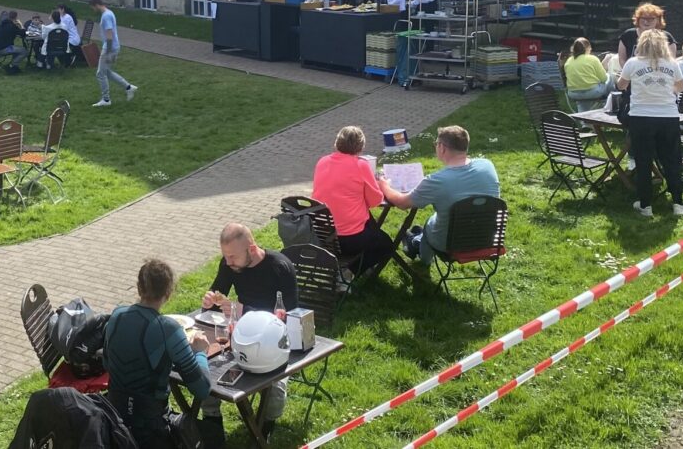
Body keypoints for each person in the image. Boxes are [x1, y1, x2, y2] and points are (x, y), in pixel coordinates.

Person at [105, 258, 211, 449]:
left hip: (114, 420)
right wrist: (200, 352)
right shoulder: (168, 329)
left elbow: (107, 362)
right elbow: (202, 389)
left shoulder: (116, 316)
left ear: (139, 288)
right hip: (150, 429)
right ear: (168, 293)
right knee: (207, 435)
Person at [201, 223, 296, 435]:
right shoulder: (230, 265)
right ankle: (212, 423)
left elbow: (289, 316)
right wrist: (210, 301)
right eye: (225, 256)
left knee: (275, 390)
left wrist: (244, 310)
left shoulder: (280, 267)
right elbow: (217, 296)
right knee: (204, 369)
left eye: (232, 257)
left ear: (251, 249)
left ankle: (264, 427)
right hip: (240, 335)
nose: (228, 262)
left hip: (275, 341)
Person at [381, 125, 501, 263]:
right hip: (487, 239)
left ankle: (423, 256)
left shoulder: (437, 181)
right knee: (440, 219)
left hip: (450, 244)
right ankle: (417, 240)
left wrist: (384, 186)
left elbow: (402, 203)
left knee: (430, 222)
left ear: (442, 147)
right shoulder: (487, 165)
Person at [617, 30, 683, 217]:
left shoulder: (633, 63)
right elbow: (681, 86)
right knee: (672, 160)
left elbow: (621, 85)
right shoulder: (672, 63)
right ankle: (678, 203)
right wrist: (667, 89)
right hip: (668, 116)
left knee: (643, 161)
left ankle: (645, 205)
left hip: (641, 117)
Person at [310, 127, 391, 277]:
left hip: (323, 234)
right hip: (349, 240)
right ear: (361, 147)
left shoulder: (322, 162)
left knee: (369, 224)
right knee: (386, 245)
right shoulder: (360, 165)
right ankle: (349, 273)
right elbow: (375, 201)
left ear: (336, 143)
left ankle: (354, 269)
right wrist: (382, 184)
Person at [90, 0, 136, 107]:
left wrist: (108, 52)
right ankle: (128, 87)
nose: (93, 10)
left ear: (96, 5)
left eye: (92, 7)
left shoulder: (106, 16)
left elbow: (109, 35)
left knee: (100, 73)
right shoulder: (109, 12)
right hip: (113, 47)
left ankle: (106, 100)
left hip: (110, 48)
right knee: (107, 72)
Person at [618, 3, 676, 68]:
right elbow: (622, 59)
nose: (646, 22)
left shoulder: (667, 37)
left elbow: (671, 62)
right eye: (643, 18)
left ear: (658, 20)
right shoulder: (627, 35)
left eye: (651, 19)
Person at [562, 37, 610, 111]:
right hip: (592, 92)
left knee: (584, 96)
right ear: (587, 48)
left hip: (573, 93)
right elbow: (604, 79)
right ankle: (611, 106)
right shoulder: (592, 59)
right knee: (610, 77)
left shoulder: (569, 61)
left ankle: (583, 116)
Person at [0, 9, 29, 74]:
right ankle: (12, 65)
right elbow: (23, 33)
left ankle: (14, 67)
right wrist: (21, 24)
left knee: (17, 50)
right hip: (4, 49)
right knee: (24, 51)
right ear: (15, 17)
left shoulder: (3, 24)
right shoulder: (12, 26)